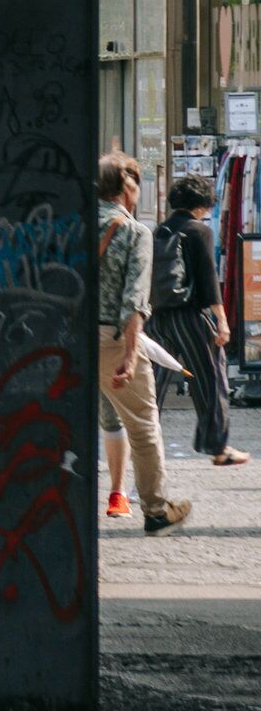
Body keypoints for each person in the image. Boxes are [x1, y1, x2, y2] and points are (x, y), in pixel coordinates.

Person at [94, 154, 192, 534]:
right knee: (142, 424)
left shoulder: (74, 222)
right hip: (112, 339)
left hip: (67, 336)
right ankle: (154, 508)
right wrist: (131, 355)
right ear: (128, 186)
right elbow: (135, 301)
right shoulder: (136, 232)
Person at [151, 173, 247, 468]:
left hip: (158, 317)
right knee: (210, 380)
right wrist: (222, 321)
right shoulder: (198, 231)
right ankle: (218, 447)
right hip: (190, 317)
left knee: (151, 385)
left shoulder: (160, 229)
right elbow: (208, 282)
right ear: (203, 203)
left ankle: (136, 440)